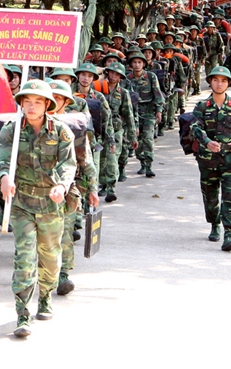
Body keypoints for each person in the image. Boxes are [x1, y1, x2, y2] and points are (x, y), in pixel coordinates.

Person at [0, 79, 77, 337]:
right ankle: (22, 313)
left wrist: (61, 185)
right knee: (25, 258)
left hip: (51, 204)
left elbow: (68, 164)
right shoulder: (12, 130)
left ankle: (46, 295)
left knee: (50, 258)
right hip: (22, 204)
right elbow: (0, 159)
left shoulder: (61, 131)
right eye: (27, 101)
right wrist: (4, 177)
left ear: (47, 104)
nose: (31, 106)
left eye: (37, 102)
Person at [189, 66, 231, 251]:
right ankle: (214, 223)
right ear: (210, 82)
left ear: (228, 84)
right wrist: (206, 141)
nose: (219, 84)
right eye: (216, 80)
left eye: (223, 80)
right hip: (208, 159)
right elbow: (195, 127)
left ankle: (229, 234)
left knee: (230, 196)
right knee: (210, 195)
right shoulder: (202, 106)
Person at [48, 80, 98, 298]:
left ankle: (63, 275)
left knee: (65, 232)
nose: (53, 102)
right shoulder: (30, 124)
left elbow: (87, 160)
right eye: (50, 98)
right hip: (35, 188)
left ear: (66, 102)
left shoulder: (74, 126)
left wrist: (93, 188)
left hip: (68, 189)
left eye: (58, 98)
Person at [101, 61, 137, 201]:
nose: (113, 76)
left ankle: (111, 188)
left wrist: (133, 136)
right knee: (102, 160)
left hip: (116, 131)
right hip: (100, 130)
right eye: (111, 72)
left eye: (117, 74)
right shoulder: (98, 89)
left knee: (112, 159)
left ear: (120, 77)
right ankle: (103, 184)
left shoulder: (123, 93)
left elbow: (129, 115)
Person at [126, 51, 165, 177]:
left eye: (139, 62)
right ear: (131, 64)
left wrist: (159, 111)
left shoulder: (150, 76)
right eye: (134, 62)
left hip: (148, 112)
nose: (137, 65)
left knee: (148, 139)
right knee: (137, 141)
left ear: (143, 64)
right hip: (133, 113)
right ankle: (142, 162)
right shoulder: (127, 79)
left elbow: (158, 94)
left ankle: (149, 166)